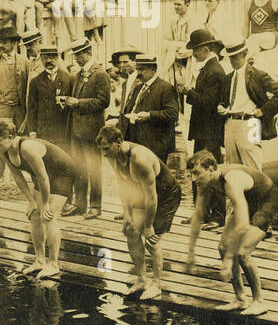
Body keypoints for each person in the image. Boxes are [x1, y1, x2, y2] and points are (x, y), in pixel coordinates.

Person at [185, 152, 275, 315]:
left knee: (242, 252)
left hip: (266, 201)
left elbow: (242, 225)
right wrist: (190, 252)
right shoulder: (204, 183)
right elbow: (198, 217)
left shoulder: (231, 180)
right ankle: (240, 298)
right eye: (191, 174)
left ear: (211, 169)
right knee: (222, 247)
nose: (193, 178)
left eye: (197, 173)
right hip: (247, 201)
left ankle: (259, 301)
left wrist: (227, 261)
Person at [96, 125, 180, 300]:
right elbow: (123, 185)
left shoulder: (139, 159)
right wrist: (127, 214)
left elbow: (152, 197)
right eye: (101, 150)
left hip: (165, 195)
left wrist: (149, 225)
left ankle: (156, 284)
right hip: (143, 192)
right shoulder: (113, 157)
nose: (104, 154)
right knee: (130, 230)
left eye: (106, 149)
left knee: (151, 238)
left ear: (118, 142)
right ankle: (141, 279)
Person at [0, 118, 74, 280]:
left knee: (49, 216)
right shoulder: (4, 150)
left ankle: (53, 264)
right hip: (44, 177)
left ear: (10, 137)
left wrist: (46, 203)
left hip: (63, 174)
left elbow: (43, 177)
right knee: (35, 215)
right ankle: (39, 260)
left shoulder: (27, 148)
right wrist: (31, 201)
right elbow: (17, 176)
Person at [218, 40, 278, 170]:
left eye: (235, 56)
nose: (232, 60)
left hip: (250, 123)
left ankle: (257, 190)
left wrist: (263, 111)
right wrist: (221, 106)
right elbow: (224, 100)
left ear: (244, 54)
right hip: (230, 123)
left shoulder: (258, 75)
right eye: (230, 57)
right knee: (232, 168)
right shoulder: (228, 78)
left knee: (253, 168)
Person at [64, 37, 110, 220]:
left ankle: (96, 206)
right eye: (76, 56)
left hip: (91, 131)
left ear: (88, 53)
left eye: (80, 55)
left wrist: (78, 103)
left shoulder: (100, 74)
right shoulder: (79, 75)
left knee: (93, 168)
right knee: (78, 167)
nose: (77, 59)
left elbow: (103, 101)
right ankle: (80, 204)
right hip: (76, 130)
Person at [120, 54, 180, 165]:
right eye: (137, 69)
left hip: (156, 144)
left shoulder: (165, 88)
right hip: (137, 142)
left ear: (153, 70)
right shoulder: (138, 88)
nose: (138, 73)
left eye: (142, 69)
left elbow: (173, 114)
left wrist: (149, 115)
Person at [183, 29, 227, 162]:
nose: (194, 54)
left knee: (207, 167)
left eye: (195, 50)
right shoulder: (210, 68)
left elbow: (208, 102)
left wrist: (188, 92)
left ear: (206, 50)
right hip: (205, 131)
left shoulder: (213, 71)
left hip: (208, 132)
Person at [24, 46, 73, 149]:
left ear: (57, 58)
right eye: (45, 58)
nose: (48, 60)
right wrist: (32, 131)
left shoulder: (68, 79)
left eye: (52, 57)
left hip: (62, 131)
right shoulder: (35, 82)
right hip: (44, 132)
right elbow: (31, 109)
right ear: (41, 58)